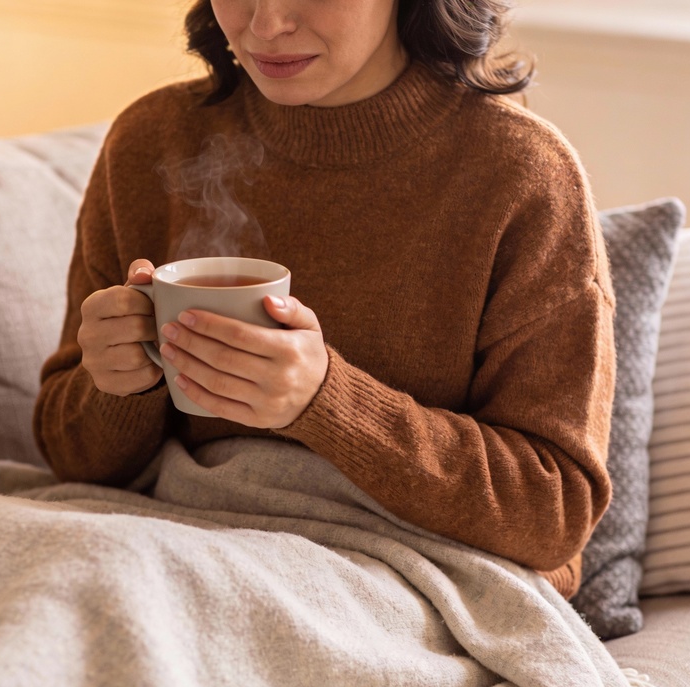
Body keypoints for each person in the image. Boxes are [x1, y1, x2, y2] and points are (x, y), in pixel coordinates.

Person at [33, 0, 616, 598]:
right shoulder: (152, 141)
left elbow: (554, 514)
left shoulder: (519, 174)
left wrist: (326, 402)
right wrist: (119, 387)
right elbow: (72, 462)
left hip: (409, 573)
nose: (266, 25)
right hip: (174, 540)